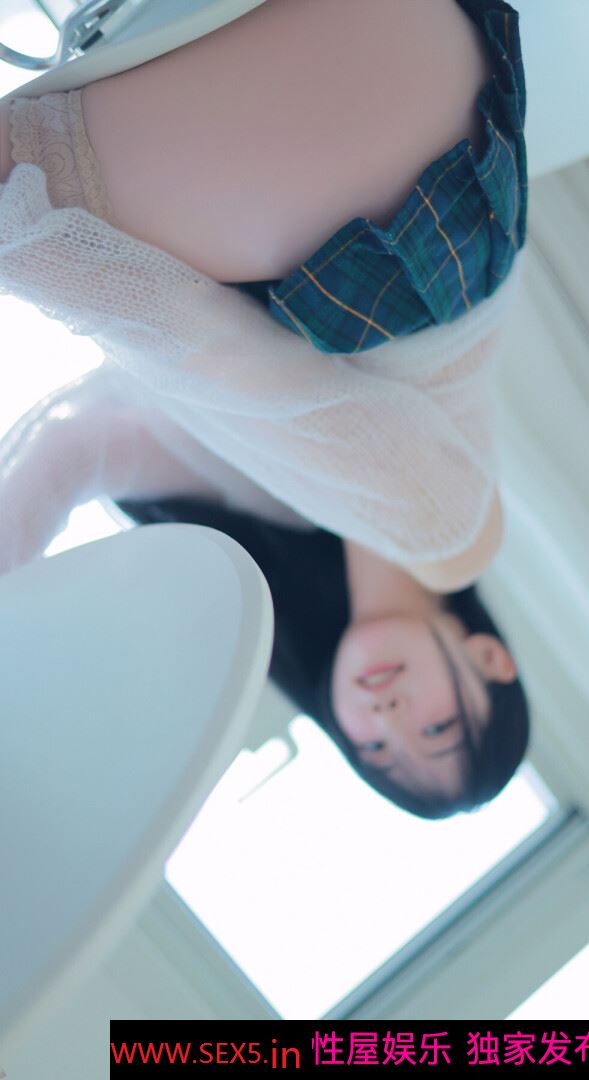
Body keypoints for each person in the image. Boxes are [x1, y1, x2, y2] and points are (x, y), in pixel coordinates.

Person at [0, 0, 530, 815]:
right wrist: (35, 253)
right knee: (32, 198)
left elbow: (83, 446)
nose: (388, 718)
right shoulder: (454, 535)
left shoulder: (279, 508)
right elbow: (248, 374)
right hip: (409, 210)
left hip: (333, 175)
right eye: (436, 730)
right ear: (490, 660)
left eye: (375, 751)